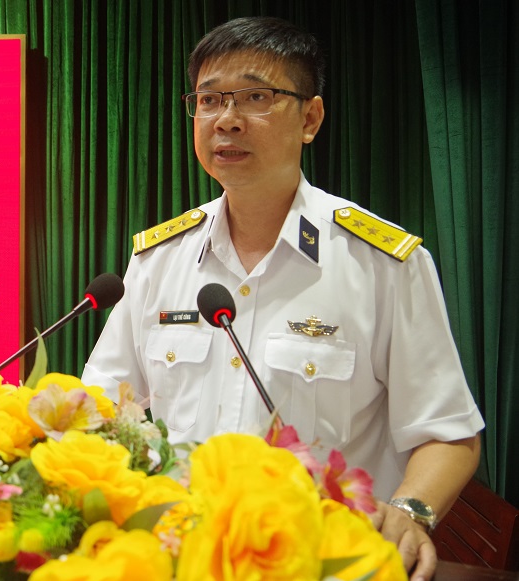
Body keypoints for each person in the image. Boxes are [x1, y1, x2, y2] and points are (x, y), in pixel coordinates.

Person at [81, 16, 484, 581]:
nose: (226, 119)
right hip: (182, 558)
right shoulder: (158, 260)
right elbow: (101, 406)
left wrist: (410, 512)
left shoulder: (382, 264)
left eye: (255, 97)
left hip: (320, 564)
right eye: (209, 99)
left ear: (310, 119)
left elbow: (447, 432)